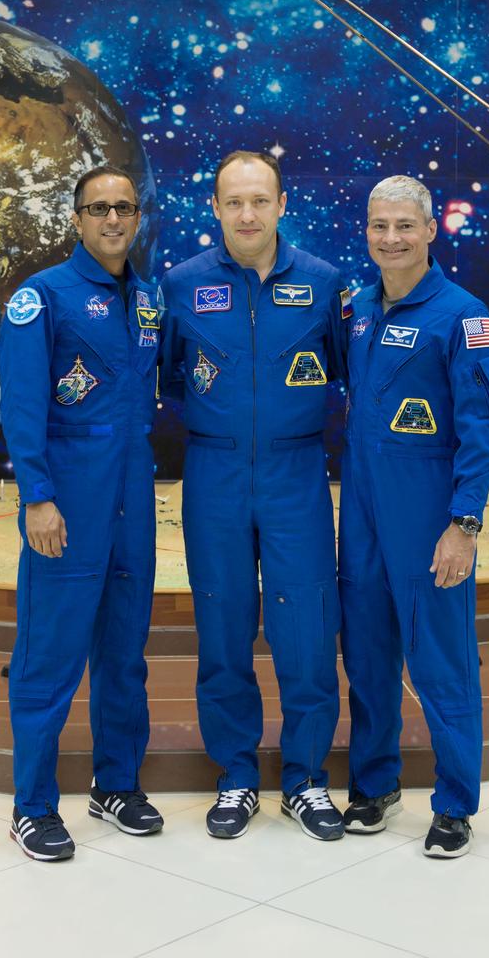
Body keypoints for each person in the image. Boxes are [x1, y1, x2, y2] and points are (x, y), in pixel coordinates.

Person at [160, 151, 352, 841]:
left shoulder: (325, 283)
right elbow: (173, 379)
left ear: (280, 205)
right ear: (214, 207)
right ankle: (237, 775)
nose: (246, 214)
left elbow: (346, 372)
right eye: (233, 202)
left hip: (295, 474)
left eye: (259, 201)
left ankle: (304, 778)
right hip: (213, 474)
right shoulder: (180, 285)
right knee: (221, 628)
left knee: (305, 628)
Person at [338, 175, 489, 858]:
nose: (390, 239)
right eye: (379, 226)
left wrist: (463, 523)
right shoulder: (357, 310)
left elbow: (484, 425)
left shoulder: (462, 316)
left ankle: (453, 803)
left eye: (404, 226)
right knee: (369, 655)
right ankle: (375, 785)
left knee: (440, 660)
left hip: (428, 513)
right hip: (362, 514)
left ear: (430, 228)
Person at [0, 165, 164, 861]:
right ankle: (32, 805)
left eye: (124, 207)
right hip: (66, 501)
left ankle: (115, 784)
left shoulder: (149, 299)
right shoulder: (43, 299)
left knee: (125, 656)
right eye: (98, 208)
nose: (113, 220)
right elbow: (23, 406)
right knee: (50, 655)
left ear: (137, 216)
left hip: (131, 503)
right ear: (76, 219)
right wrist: (37, 496)